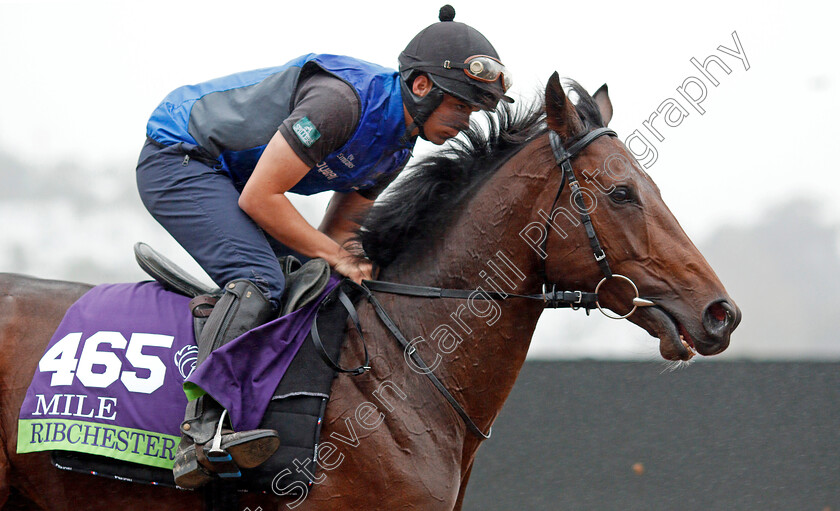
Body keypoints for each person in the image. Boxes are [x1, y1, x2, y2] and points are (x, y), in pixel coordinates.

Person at [135, 4, 512, 488]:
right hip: (179, 159)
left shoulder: (398, 147)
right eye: (461, 104)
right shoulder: (341, 104)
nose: (467, 120)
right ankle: (202, 435)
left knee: (313, 282)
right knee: (262, 279)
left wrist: (357, 265)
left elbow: (338, 236)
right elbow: (260, 197)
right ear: (422, 87)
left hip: (228, 180)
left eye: (475, 109)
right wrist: (336, 256)